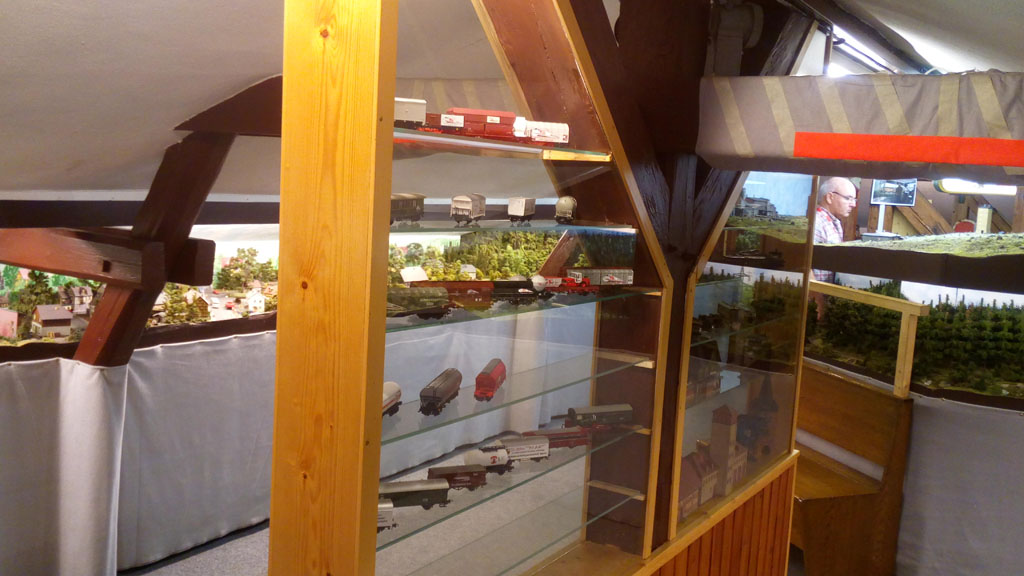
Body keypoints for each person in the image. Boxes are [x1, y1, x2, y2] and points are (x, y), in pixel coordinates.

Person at [812, 177, 857, 283]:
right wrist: (817, 293)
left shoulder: (833, 222)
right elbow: (803, 264)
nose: (853, 204)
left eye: (854, 200)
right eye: (848, 198)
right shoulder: (816, 222)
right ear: (830, 197)